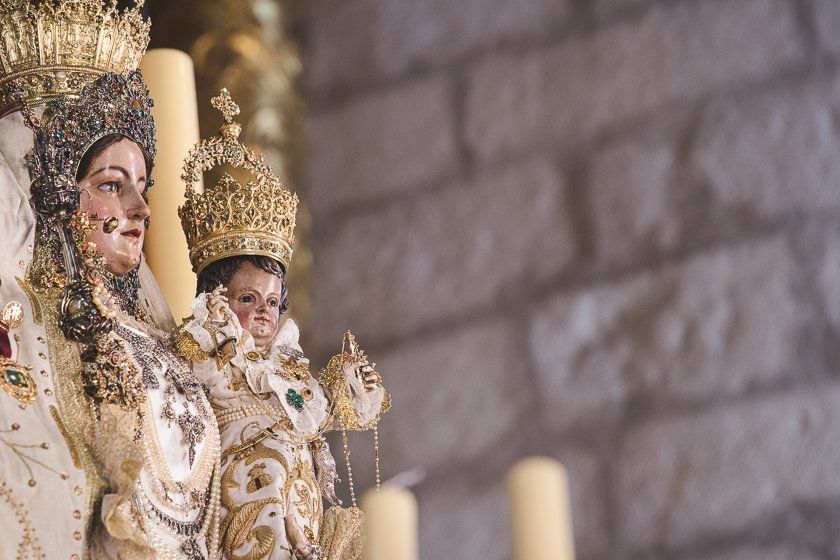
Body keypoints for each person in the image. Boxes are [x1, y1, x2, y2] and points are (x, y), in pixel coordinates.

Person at [0, 1, 185, 557]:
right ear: (60, 191)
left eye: (143, 187)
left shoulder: (157, 347)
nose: (141, 209)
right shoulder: (16, 317)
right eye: (111, 184)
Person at [175, 89, 389, 560]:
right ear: (218, 302)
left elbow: (323, 409)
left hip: (299, 492)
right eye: (247, 299)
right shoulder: (208, 348)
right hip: (245, 485)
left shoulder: (286, 366)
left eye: (273, 301)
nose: (264, 312)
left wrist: (353, 386)